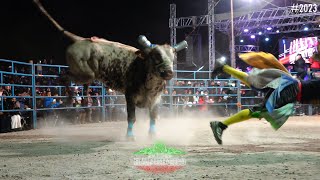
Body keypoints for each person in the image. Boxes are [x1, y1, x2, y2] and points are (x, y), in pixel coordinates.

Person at [210, 52, 320, 145]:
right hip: (292, 91)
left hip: (290, 85)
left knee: (253, 82)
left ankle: (223, 67)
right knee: (260, 111)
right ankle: (220, 125)